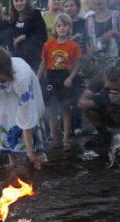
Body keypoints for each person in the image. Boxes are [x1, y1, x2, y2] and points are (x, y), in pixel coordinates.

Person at [0, 47, 47, 169]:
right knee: (4, 117)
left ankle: (33, 156)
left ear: (3, 68)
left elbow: (26, 113)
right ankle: (12, 163)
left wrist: (29, 151)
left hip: (21, 91)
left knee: (22, 122)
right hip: (4, 94)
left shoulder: (21, 78)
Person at [37, 13, 82, 149]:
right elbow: (43, 63)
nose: (62, 28)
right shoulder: (48, 45)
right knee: (52, 110)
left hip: (65, 78)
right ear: (55, 29)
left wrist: (70, 78)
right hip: (51, 77)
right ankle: (54, 137)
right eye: (59, 26)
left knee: (65, 109)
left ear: (70, 27)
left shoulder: (73, 46)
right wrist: (37, 78)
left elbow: (77, 64)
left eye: (65, 25)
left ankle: (66, 138)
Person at [77, 65, 120, 139]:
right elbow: (80, 103)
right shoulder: (98, 80)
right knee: (87, 108)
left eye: (115, 89)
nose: (111, 92)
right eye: (108, 89)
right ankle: (104, 134)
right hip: (108, 113)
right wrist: (99, 100)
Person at [9, 0, 48, 71]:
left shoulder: (35, 14)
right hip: (17, 60)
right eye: (16, 1)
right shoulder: (12, 18)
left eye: (21, 0)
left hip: (33, 59)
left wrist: (24, 37)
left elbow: (42, 36)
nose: (19, 3)